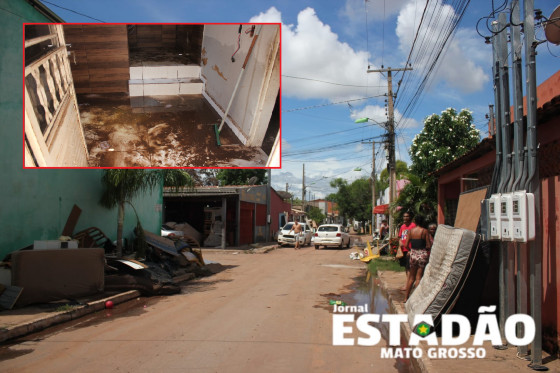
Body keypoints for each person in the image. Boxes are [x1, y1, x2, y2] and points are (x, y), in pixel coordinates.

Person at [404, 215, 431, 302]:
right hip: (422, 254)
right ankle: (416, 299)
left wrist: (410, 251)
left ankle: (406, 298)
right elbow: (428, 245)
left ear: (415, 222)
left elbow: (406, 245)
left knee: (411, 278)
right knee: (418, 277)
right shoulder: (425, 231)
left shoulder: (411, 231)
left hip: (413, 254)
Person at [398, 212, 416, 280]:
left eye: (407, 216)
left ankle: (409, 283)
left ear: (410, 217)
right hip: (403, 250)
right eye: (404, 216)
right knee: (406, 266)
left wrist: (411, 249)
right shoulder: (402, 226)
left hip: (410, 249)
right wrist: (400, 242)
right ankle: (408, 281)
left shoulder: (413, 226)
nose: (405, 218)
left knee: (410, 267)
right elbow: (400, 236)